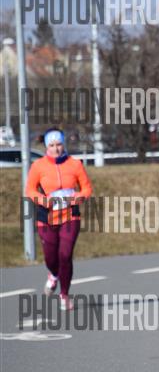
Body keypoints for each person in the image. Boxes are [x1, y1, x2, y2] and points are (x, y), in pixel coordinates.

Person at [25, 128, 92, 311]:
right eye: (52, 145)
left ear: (64, 144)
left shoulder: (75, 164)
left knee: (65, 255)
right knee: (50, 258)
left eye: (59, 144)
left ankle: (64, 294)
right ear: (46, 146)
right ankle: (53, 275)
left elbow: (86, 189)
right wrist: (43, 200)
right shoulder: (38, 166)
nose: (56, 149)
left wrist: (76, 199)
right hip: (46, 218)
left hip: (70, 216)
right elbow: (30, 190)